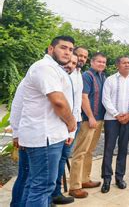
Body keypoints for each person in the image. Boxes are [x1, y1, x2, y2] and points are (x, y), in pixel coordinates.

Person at [17, 36, 77, 206]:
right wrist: (71, 123)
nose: (67, 52)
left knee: (33, 185)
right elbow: (58, 101)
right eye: (63, 48)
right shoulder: (44, 67)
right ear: (51, 49)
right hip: (45, 138)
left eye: (71, 50)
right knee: (42, 187)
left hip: (46, 136)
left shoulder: (53, 68)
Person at [69, 52, 107, 199]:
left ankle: (85, 179)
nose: (102, 64)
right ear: (92, 62)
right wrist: (90, 117)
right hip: (88, 120)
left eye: (104, 62)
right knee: (80, 152)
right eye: (99, 61)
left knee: (89, 151)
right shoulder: (87, 76)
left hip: (99, 119)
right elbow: (83, 97)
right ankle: (74, 186)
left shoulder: (101, 76)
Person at [100, 56, 129, 192]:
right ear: (118, 65)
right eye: (124, 63)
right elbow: (105, 99)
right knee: (109, 148)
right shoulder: (110, 80)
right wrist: (116, 114)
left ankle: (119, 177)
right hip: (112, 119)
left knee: (123, 148)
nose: (127, 65)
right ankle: (106, 179)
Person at [51, 54, 81, 205]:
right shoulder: (50, 75)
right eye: (69, 61)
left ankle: (55, 193)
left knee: (61, 160)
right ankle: (48, 197)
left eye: (74, 63)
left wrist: (71, 131)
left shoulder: (73, 77)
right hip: (51, 132)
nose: (71, 65)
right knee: (50, 166)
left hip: (66, 130)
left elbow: (74, 106)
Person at [9, 79, 28, 207]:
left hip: (37, 137)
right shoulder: (29, 80)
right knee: (25, 173)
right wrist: (16, 133)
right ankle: (16, 204)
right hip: (27, 136)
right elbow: (16, 107)